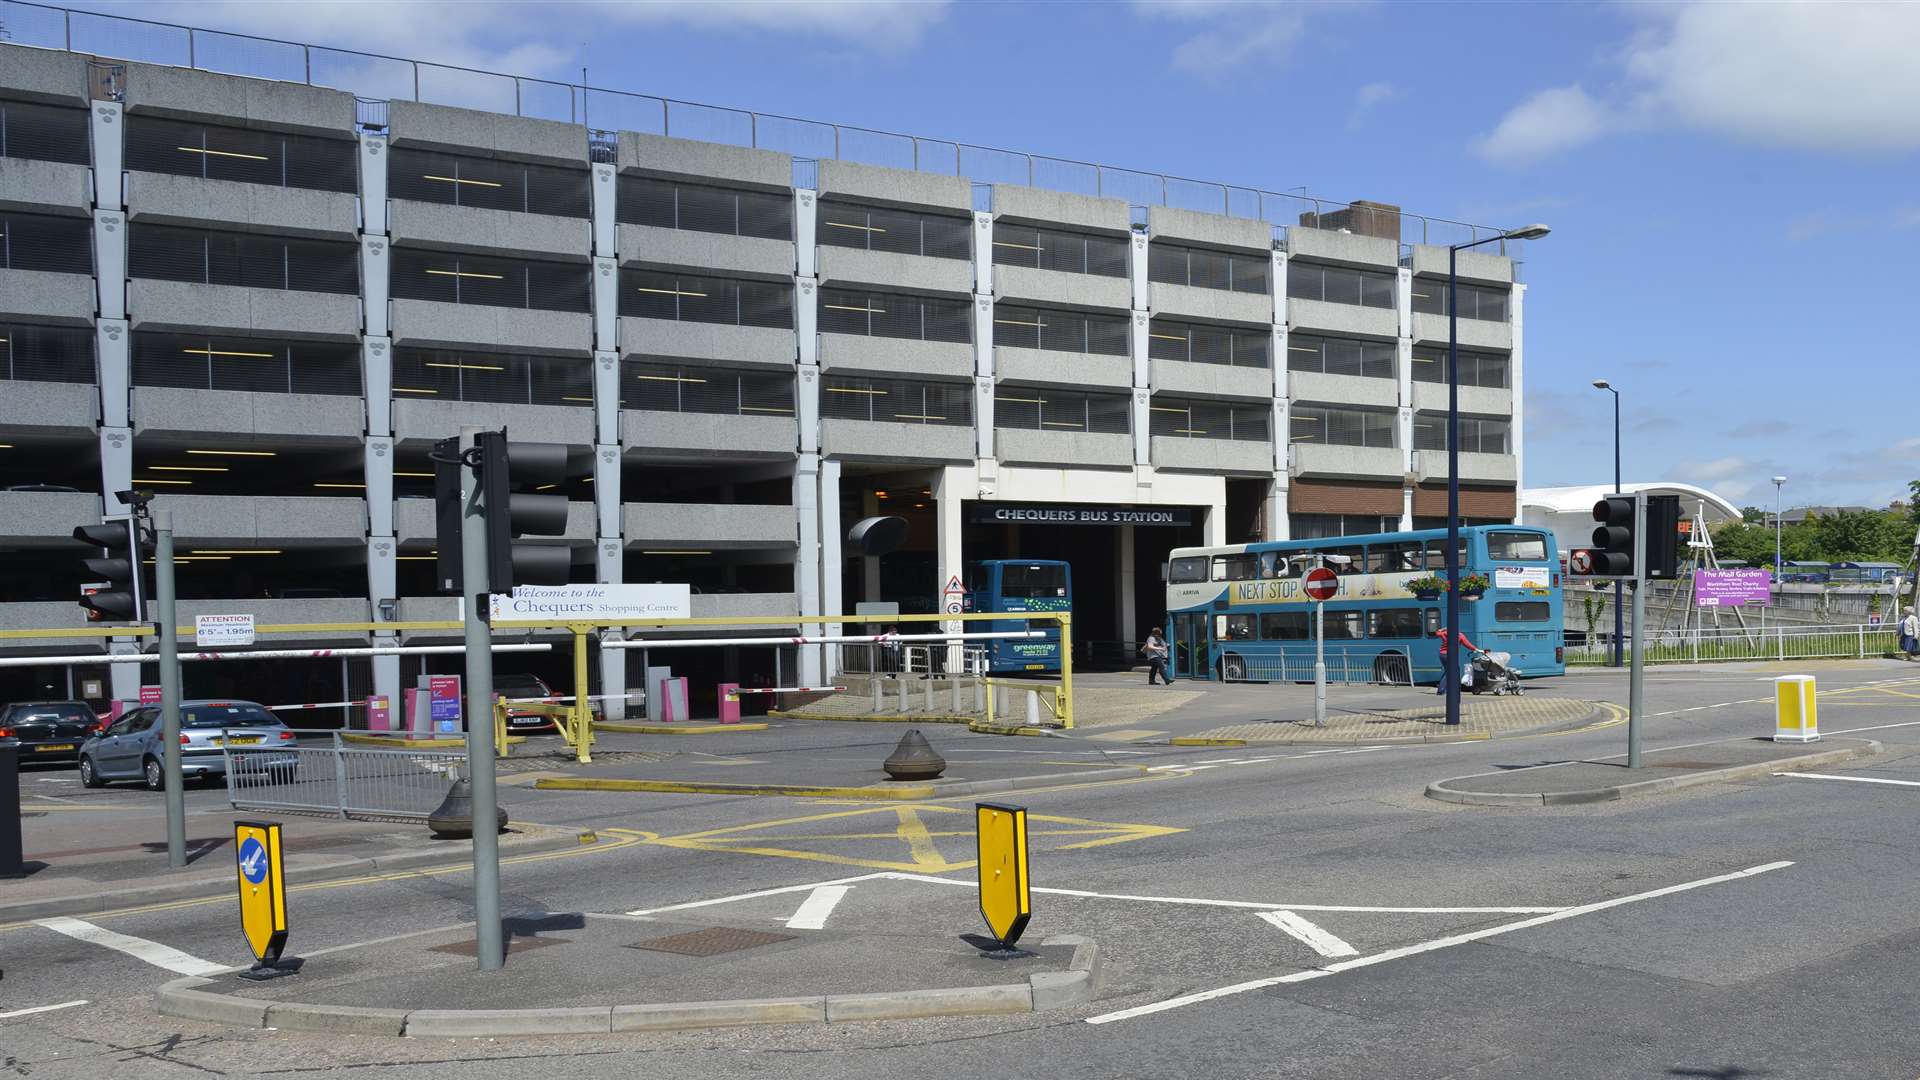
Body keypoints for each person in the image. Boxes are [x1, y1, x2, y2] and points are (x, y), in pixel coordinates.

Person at [1433, 624, 1480, 696]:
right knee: (1450, 672)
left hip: (1442, 655)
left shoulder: (1444, 634)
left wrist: (1443, 628)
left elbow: (1437, 632)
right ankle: (1442, 690)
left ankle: (1445, 689)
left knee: (1448, 672)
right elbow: (1468, 644)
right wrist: (1476, 649)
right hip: (1451, 656)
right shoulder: (1460, 635)